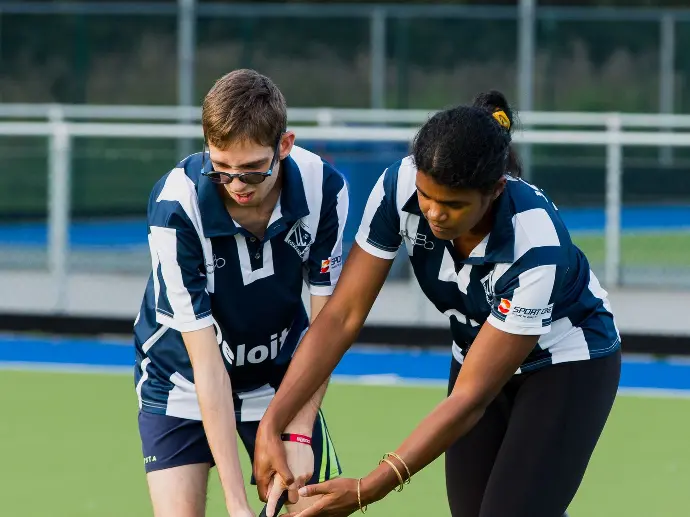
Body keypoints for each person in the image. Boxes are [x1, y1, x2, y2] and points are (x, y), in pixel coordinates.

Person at [252, 90, 621, 517]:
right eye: (427, 197)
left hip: (566, 364)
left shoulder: (536, 246)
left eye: (454, 205)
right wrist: (272, 421)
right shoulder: (399, 186)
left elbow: (470, 398)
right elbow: (342, 316)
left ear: (496, 190)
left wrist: (367, 489)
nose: (435, 214)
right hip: (475, 352)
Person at [133, 69, 348, 517]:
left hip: (280, 383)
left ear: (283, 146)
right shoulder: (177, 207)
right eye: (222, 170)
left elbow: (328, 326)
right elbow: (207, 364)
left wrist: (301, 431)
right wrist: (236, 504)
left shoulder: (324, 188)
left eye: (252, 171)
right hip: (183, 381)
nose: (236, 185)